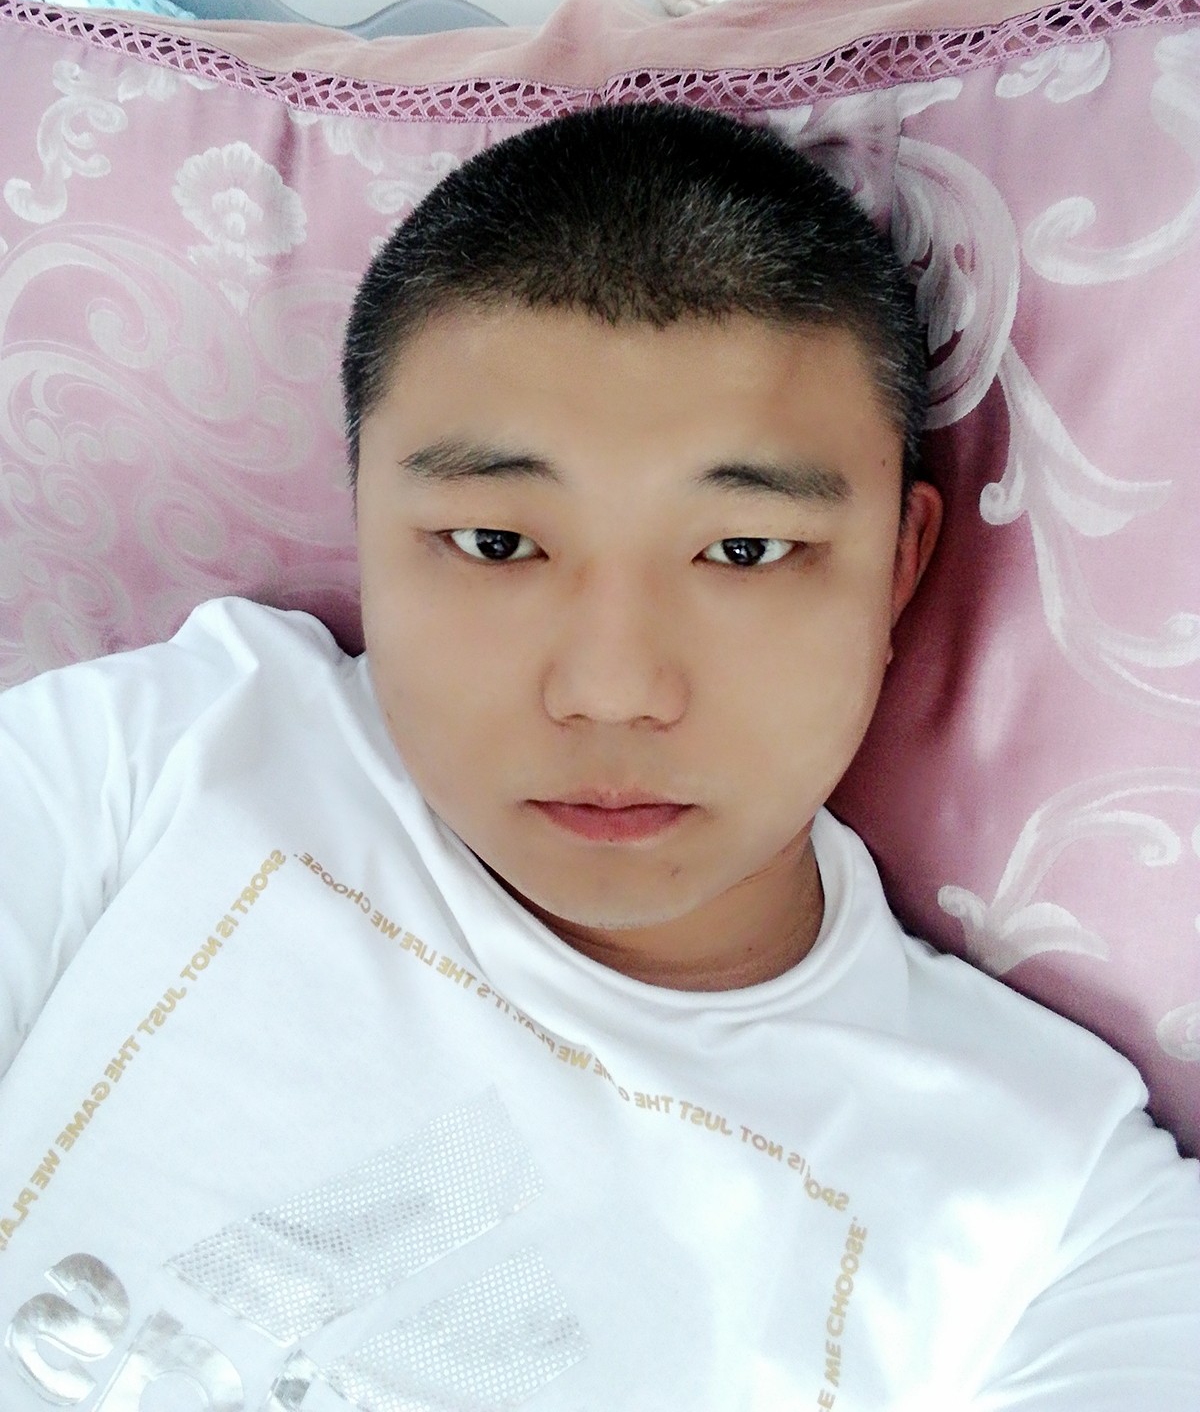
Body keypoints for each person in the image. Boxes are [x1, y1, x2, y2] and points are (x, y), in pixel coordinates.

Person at [0, 102, 1195, 1411]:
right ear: (364, 520)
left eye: (744, 551)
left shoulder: (1059, 1216)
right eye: (497, 544)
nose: (613, 691)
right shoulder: (162, 748)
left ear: (898, 566)